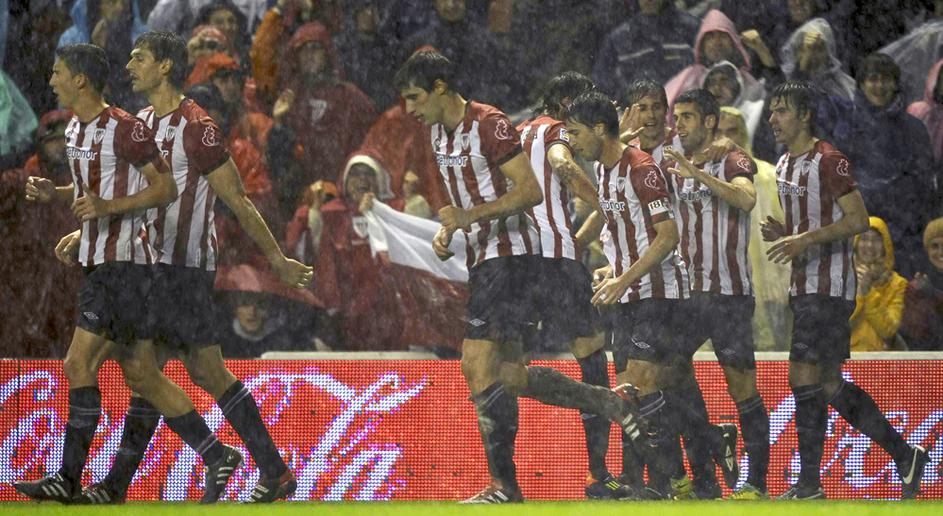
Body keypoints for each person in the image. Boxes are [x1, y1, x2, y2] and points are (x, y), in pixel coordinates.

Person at [394, 51, 662, 504]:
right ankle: (606, 402)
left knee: (476, 363)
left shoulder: (491, 123)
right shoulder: (438, 132)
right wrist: (450, 229)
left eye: (414, 97)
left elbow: (530, 191)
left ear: (440, 88)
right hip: (487, 256)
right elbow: (467, 197)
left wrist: (469, 217)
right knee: (511, 375)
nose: (409, 109)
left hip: (512, 255)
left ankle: (507, 486)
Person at [11, 43, 242, 505]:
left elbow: (165, 187)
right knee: (141, 374)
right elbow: (91, 189)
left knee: (79, 363)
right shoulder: (75, 128)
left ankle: (67, 479)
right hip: (104, 262)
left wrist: (106, 209)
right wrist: (58, 195)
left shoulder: (125, 128)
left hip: (126, 267)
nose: (51, 81)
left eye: (58, 72)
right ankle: (217, 454)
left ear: (80, 79)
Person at [762, 80, 929, 499]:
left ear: (804, 115)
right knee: (828, 383)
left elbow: (857, 220)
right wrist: (786, 232)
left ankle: (809, 484)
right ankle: (905, 455)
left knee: (802, 375)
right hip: (803, 285)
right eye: (772, 110)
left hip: (829, 286)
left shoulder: (829, 160)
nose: (772, 118)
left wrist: (804, 239)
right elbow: (812, 221)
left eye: (781, 110)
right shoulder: (783, 164)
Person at [564, 90, 695, 500]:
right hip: (626, 294)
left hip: (659, 292)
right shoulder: (605, 173)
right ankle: (666, 476)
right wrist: (612, 269)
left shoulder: (642, 169)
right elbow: (625, 234)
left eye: (575, 132)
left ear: (599, 128)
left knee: (639, 382)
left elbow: (668, 236)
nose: (572, 142)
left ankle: (668, 482)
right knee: (632, 391)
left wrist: (622, 278)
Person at [517, 71, 636, 499]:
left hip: (517, 263)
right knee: (593, 362)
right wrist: (606, 202)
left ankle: (504, 481)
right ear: (567, 104)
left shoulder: (516, 132)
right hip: (557, 262)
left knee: (508, 371)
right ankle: (598, 472)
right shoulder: (556, 131)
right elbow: (563, 164)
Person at [660, 89, 767, 499]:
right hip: (688, 293)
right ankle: (712, 439)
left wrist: (698, 173)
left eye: (687, 116)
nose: (679, 124)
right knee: (667, 372)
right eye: (677, 117)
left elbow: (746, 198)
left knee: (741, 387)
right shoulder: (672, 159)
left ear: (709, 121)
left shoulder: (733, 158)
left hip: (729, 294)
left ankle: (756, 483)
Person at [835, 52, 935, 278]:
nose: (879, 86)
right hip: (859, 234)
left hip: (905, 238)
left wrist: (902, 218)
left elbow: (924, 184)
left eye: (885, 79)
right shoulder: (846, 128)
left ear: (895, 84)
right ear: (861, 84)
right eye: (873, 79)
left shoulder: (914, 129)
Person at [0, 110, 79, 358]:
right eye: (54, 139)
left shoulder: (86, 183)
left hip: (68, 288)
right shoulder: (20, 181)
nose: (61, 146)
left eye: (66, 139)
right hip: (24, 289)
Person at [716, 107, 790, 351]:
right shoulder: (697, 176)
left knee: (769, 356)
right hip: (716, 288)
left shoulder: (769, 176)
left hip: (766, 287)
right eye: (719, 132)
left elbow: (784, 230)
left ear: (744, 134)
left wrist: (780, 284)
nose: (726, 139)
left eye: (732, 132)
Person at [592, 0, 699, 98]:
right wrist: (628, 102)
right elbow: (602, 83)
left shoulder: (691, 29)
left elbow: (705, 74)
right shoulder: (619, 39)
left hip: (685, 108)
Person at [850, 217, 908, 352]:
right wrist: (859, 294)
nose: (870, 245)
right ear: (856, 244)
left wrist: (868, 293)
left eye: (876, 240)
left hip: (881, 359)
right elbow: (838, 326)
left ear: (885, 246)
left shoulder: (898, 283)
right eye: (864, 239)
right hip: (846, 357)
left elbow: (888, 330)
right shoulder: (842, 277)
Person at [900, 217, 943, 351]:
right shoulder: (917, 283)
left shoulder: (927, 287)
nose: (940, 252)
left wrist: (934, 295)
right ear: (927, 249)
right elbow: (914, 333)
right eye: (935, 246)